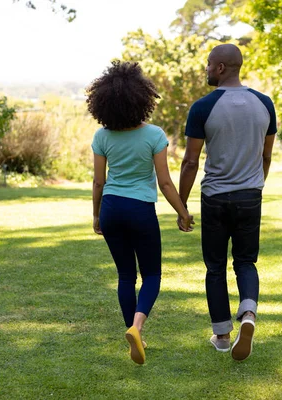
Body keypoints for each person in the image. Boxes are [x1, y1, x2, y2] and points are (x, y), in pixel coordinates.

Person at [88, 61, 193, 365]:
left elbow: (98, 182)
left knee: (125, 276)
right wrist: (183, 212)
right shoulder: (154, 135)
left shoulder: (102, 137)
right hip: (140, 209)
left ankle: (134, 334)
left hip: (111, 208)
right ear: (141, 99)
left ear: (104, 102)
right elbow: (164, 182)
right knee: (152, 275)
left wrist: (96, 216)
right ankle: (137, 327)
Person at [178, 44, 277, 361]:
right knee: (246, 262)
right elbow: (266, 155)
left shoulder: (203, 107)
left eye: (208, 64)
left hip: (215, 198)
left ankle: (222, 335)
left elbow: (190, 162)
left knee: (215, 266)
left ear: (220, 67)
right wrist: (255, 184)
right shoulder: (264, 104)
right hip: (251, 196)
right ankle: (248, 314)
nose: (206, 69)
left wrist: (182, 205)